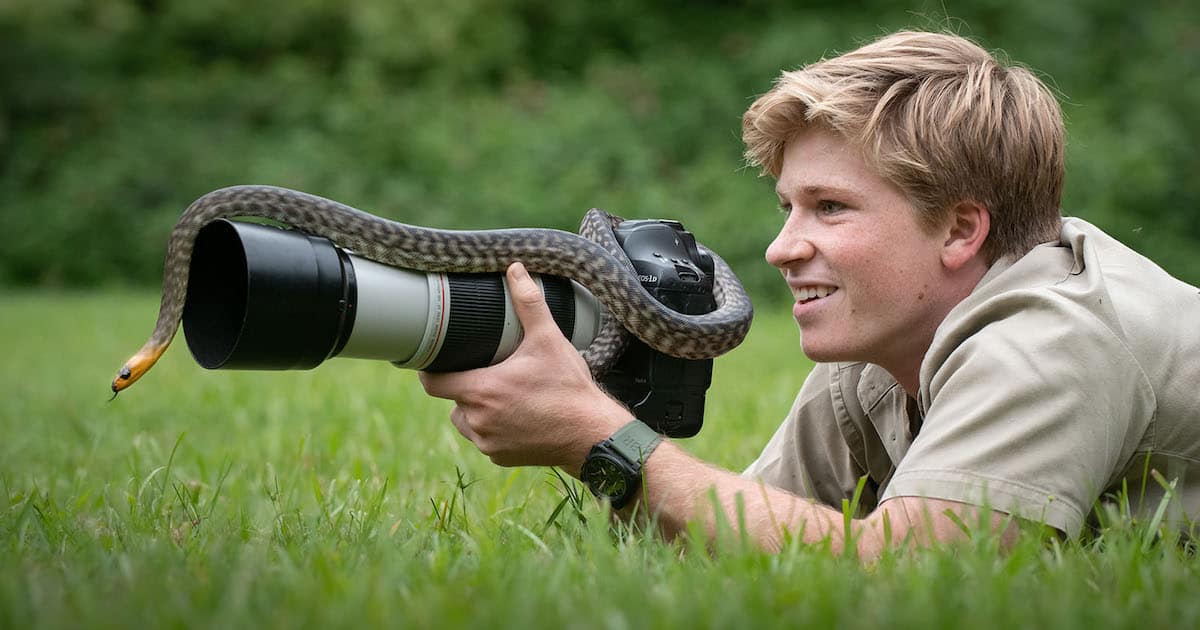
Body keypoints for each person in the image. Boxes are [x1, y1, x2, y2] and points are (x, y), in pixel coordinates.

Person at [419, 30, 1200, 557]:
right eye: (787, 207)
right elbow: (736, 544)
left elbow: (911, 581)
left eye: (830, 207)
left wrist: (600, 438)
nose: (780, 247)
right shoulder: (880, 351)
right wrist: (591, 410)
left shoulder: (1053, 339)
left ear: (962, 231)